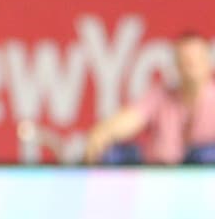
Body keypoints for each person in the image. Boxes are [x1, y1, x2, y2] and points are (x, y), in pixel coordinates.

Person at [84, 31, 215, 164]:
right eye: (186, 60)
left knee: (207, 154)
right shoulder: (160, 96)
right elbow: (130, 119)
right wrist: (102, 132)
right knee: (110, 153)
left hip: (207, 173)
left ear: (208, 62)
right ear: (176, 65)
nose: (192, 65)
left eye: (197, 59)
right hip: (161, 171)